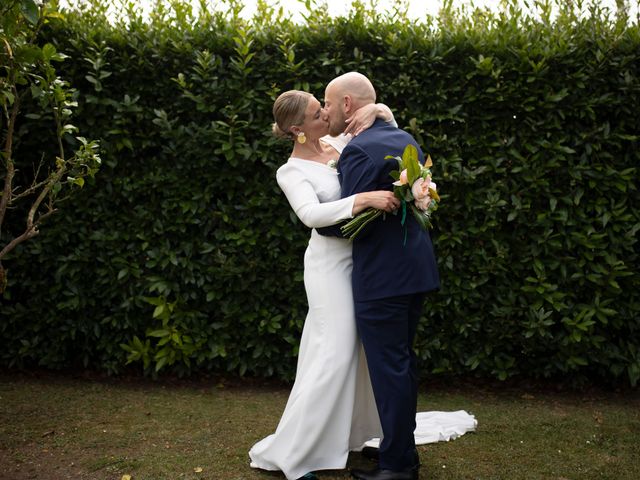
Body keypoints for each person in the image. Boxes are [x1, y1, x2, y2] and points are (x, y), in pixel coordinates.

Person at [248, 90, 400, 480]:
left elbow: (381, 126)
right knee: (332, 351)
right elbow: (311, 214)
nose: (327, 115)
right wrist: (363, 199)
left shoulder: (336, 142)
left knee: (357, 350)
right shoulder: (291, 171)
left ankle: (354, 435)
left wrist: (380, 108)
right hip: (328, 267)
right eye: (318, 113)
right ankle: (298, 453)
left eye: (324, 107)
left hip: (360, 261)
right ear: (298, 129)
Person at [320, 72, 440, 480]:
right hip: (416, 269)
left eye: (329, 102)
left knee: (390, 368)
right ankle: (399, 449)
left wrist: (320, 222)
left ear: (349, 105)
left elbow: (349, 220)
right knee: (402, 364)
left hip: (383, 278)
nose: (326, 110)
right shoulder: (404, 137)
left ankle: (399, 466)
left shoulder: (357, 152)